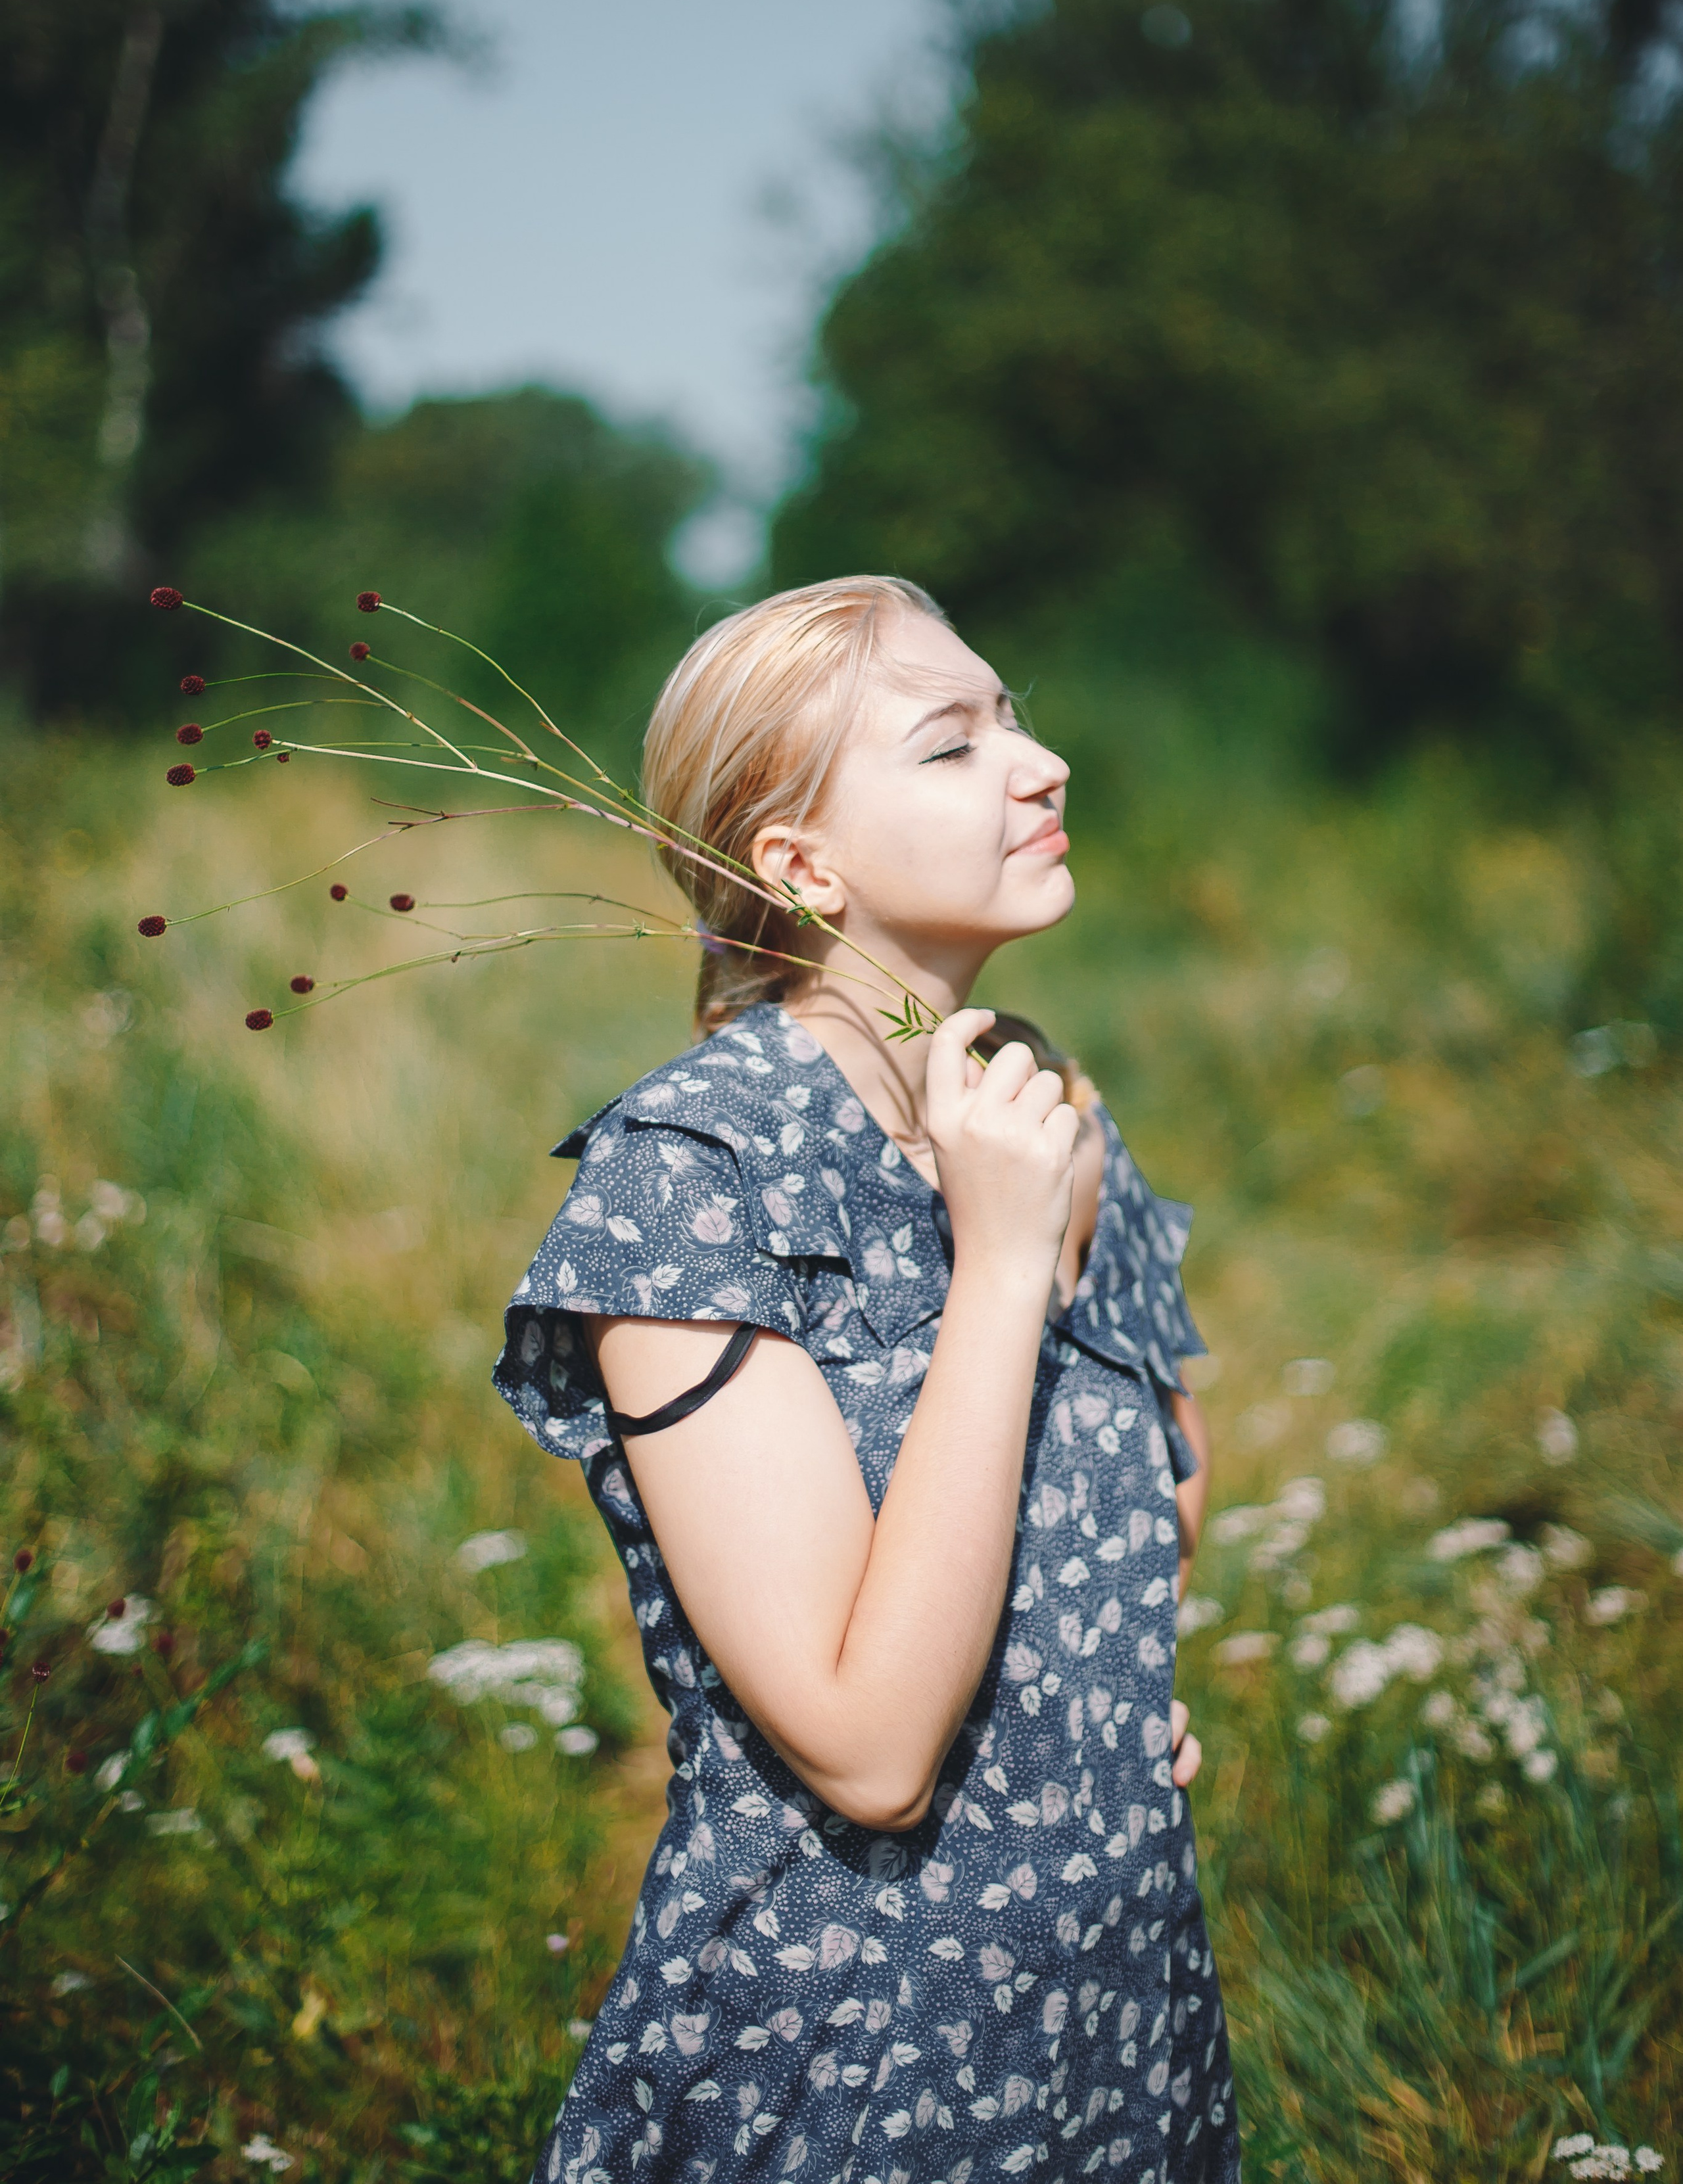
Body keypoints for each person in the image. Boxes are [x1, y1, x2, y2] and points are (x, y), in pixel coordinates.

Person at [494, 575, 1240, 2184]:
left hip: (1115, 2016)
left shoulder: (1034, 1113)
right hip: (857, 2047)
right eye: (950, 744)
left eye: (1014, 717)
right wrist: (997, 1267)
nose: (1036, 765)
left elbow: (1155, 1521)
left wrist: (1095, 1712)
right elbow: (870, 1749)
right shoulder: (695, 1179)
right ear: (798, 862)